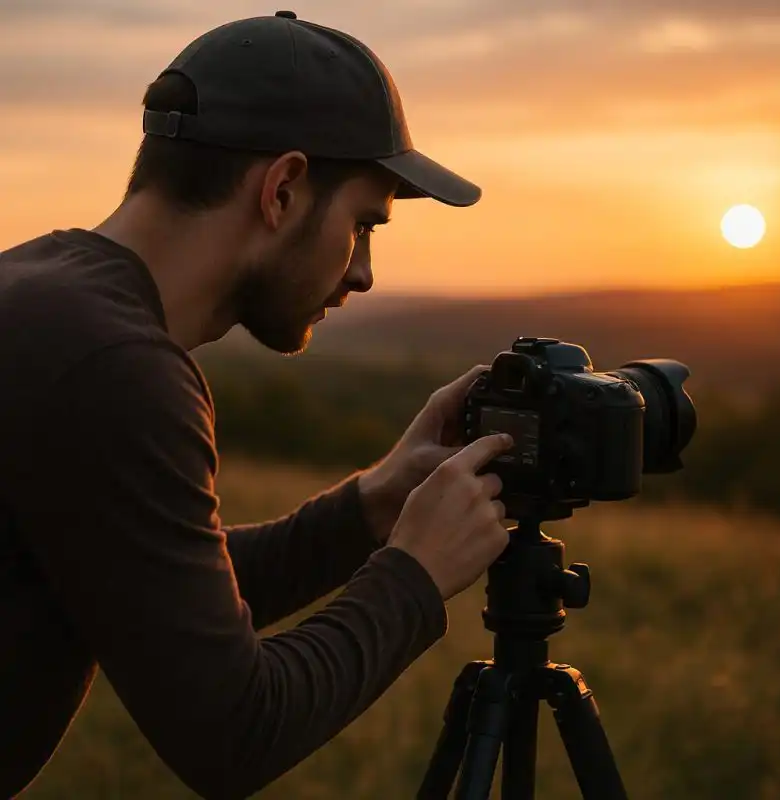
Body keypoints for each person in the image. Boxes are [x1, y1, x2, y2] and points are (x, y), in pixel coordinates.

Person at [0, 12, 513, 800]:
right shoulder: (116, 367)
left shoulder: (41, 292)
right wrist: (414, 574)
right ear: (281, 190)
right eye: (362, 226)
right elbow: (234, 732)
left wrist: (372, 509)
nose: (364, 273)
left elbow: (152, 588)